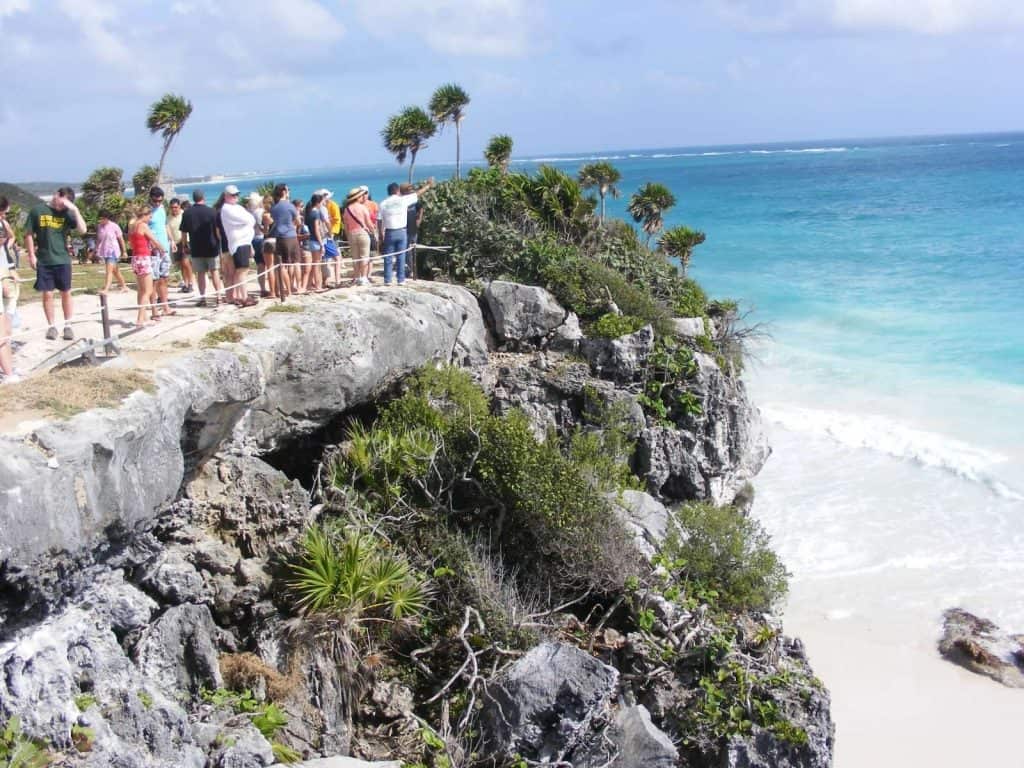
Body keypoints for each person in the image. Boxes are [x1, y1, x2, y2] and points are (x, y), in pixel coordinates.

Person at [25, 186, 87, 341]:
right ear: (56, 195)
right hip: (44, 259)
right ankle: (51, 326)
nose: (62, 206)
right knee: (47, 294)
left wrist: (75, 210)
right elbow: (28, 234)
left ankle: (68, 325)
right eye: (62, 202)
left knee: (66, 292)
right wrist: (32, 255)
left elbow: (83, 230)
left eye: (65, 204)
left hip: (63, 259)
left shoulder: (66, 213)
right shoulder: (37, 211)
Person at [378, 178, 433, 285]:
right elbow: (418, 194)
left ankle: (388, 280)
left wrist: (381, 235)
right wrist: (428, 185)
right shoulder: (403, 200)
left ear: (388, 192)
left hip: (389, 232)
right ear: (397, 191)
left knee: (388, 257)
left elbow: (379, 220)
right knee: (401, 256)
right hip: (402, 231)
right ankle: (400, 279)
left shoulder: (383, 203)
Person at [179, 189, 223, 307]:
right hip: (212, 246)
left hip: (196, 247)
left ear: (193, 198)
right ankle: (219, 297)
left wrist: (184, 245)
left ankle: (203, 298)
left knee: (200, 274)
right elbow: (217, 230)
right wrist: (220, 242)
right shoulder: (212, 212)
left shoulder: (187, 213)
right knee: (214, 272)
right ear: (203, 197)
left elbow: (183, 232)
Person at [219, 184, 257, 307]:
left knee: (242, 270)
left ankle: (241, 296)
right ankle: (243, 296)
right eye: (232, 195)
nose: (235, 197)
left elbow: (251, 219)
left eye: (236, 195)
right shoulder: (226, 208)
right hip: (238, 242)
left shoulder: (237, 207)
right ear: (226, 196)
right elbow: (248, 220)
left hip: (244, 241)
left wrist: (246, 222)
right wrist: (246, 222)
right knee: (242, 270)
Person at [128, 200, 164, 327]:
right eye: (149, 216)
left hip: (136, 258)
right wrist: (162, 249)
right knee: (148, 290)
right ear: (145, 215)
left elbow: (132, 243)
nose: (150, 219)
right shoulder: (142, 225)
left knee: (141, 289)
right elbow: (154, 240)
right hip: (143, 258)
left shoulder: (132, 225)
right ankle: (140, 319)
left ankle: (143, 316)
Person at [270, 184, 299, 300]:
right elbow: (297, 220)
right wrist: (293, 226)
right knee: (292, 263)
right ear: (283, 192)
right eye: (287, 190)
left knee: (282, 265)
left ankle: (286, 289)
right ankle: (290, 288)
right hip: (291, 236)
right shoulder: (289, 206)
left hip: (280, 237)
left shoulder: (274, 207)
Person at [148, 186, 174, 317]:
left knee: (164, 278)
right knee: (154, 280)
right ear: (151, 198)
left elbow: (165, 225)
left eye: (160, 200)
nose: (158, 203)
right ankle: (154, 310)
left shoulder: (162, 209)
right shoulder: (147, 211)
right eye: (155, 201)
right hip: (153, 250)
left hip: (165, 248)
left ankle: (165, 306)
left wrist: (172, 240)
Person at [343, 187, 374, 286]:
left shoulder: (347, 210)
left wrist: (348, 237)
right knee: (364, 256)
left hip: (352, 234)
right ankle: (364, 277)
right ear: (358, 197)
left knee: (355, 257)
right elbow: (368, 223)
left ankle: (357, 277)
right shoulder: (362, 207)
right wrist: (373, 231)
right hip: (362, 233)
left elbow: (346, 225)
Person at [96, 209, 129, 292]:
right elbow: (99, 239)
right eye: (100, 218)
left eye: (102, 218)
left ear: (107, 218)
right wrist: (95, 250)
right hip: (105, 251)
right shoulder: (99, 226)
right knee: (115, 271)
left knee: (109, 270)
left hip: (113, 251)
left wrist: (124, 251)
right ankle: (124, 286)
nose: (101, 220)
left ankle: (106, 289)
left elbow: (121, 239)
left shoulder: (114, 226)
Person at [167, 197, 192, 294]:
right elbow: (168, 229)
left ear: (179, 207)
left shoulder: (184, 214)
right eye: (172, 207)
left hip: (186, 241)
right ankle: (185, 283)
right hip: (176, 242)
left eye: (176, 207)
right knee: (181, 264)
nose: (174, 209)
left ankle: (190, 283)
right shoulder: (168, 217)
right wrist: (172, 241)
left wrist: (184, 243)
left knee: (186, 262)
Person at [401, 182, 425, 279]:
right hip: (403, 229)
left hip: (413, 229)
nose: (411, 191)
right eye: (409, 189)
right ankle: (409, 270)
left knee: (413, 251)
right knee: (406, 251)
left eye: (411, 189)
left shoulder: (414, 201)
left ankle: (414, 271)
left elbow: (421, 208)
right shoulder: (401, 201)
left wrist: (419, 219)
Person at [304, 193, 325, 292]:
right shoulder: (315, 213)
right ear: (318, 202)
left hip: (311, 239)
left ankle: (309, 284)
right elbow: (317, 229)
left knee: (314, 263)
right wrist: (321, 243)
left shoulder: (309, 213)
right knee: (317, 264)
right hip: (316, 240)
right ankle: (318, 285)